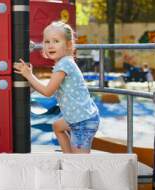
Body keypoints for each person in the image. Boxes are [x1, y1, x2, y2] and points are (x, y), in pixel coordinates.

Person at [14, 21, 100, 153]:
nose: (50, 45)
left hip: (82, 122)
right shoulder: (65, 62)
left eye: (56, 41)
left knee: (80, 164)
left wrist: (29, 75)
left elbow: (48, 91)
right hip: (80, 116)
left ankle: (73, 163)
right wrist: (31, 81)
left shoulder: (63, 65)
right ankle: (68, 156)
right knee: (57, 126)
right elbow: (48, 86)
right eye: (47, 42)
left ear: (68, 45)